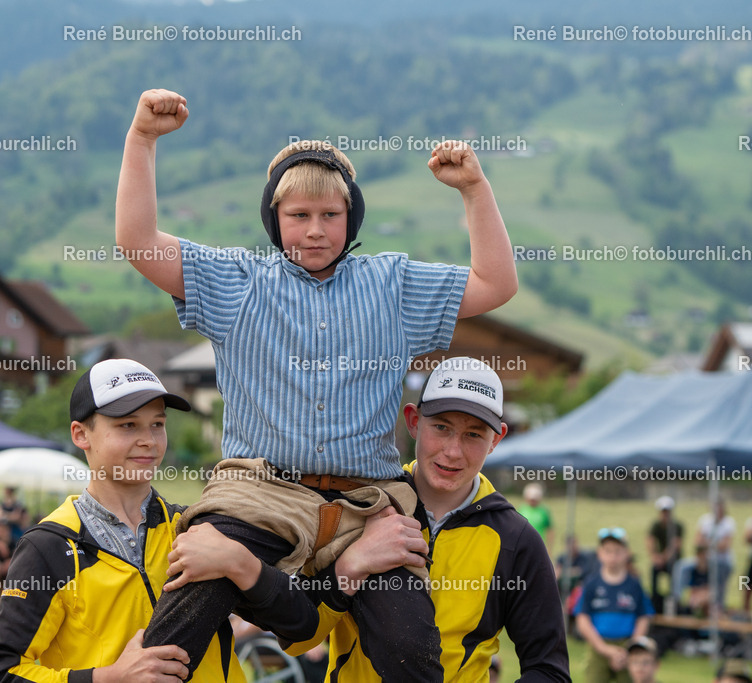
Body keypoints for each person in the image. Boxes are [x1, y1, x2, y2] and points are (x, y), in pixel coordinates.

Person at [116, 87, 518, 680]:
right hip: (257, 497)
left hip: (368, 504)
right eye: (297, 215)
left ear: (350, 219)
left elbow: (496, 282)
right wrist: (143, 138)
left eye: (330, 215)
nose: (314, 231)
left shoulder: (392, 285)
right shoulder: (237, 282)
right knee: (182, 613)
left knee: (412, 650)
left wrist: (474, 190)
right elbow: (138, 243)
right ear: (274, 219)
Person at [165, 357, 571, 681]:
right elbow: (298, 637)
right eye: (441, 427)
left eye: (473, 435)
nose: (452, 451)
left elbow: (549, 670)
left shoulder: (516, 539)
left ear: (498, 438)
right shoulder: (356, 503)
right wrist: (350, 567)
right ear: (413, 421)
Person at [0, 358, 266, 682]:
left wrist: (245, 565)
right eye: (128, 425)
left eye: (157, 424)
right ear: (81, 434)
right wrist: (108, 677)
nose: (149, 441)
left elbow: (298, 627)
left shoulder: (195, 527)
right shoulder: (48, 547)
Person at [575, 528, 653, 683]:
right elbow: (582, 619)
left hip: (627, 648)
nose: (612, 556)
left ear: (626, 553)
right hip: (598, 646)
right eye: (608, 551)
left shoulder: (634, 585)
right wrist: (603, 648)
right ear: (600, 553)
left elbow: (644, 617)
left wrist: (631, 646)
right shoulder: (591, 584)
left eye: (618, 551)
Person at [673, 499, 735, 611]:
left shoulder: (728, 522)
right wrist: (713, 545)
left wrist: (708, 543)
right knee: (681, 566)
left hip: (721, 561)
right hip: (704, 559)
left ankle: (718, 605)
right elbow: (697, 541)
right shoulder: (705, 520)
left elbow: (725, 545)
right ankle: (677, 599)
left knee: (719, 573)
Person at [647, 495, 683, 614]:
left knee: (674, 574)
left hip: (674, 560)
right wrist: (655, 557)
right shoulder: (655, 526)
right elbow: (650, 541)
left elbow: (675, 545)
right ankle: (655, 601)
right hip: (661, 559)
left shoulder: (677, 526)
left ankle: (674, 601)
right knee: (654, 571)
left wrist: (664, 557)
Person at [518, 482, 555, 554]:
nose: (533, 501)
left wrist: (549, 547)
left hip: (540, 546)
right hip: (524, 546)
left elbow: (549, 530)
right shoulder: (521, 510)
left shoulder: (544, 511)